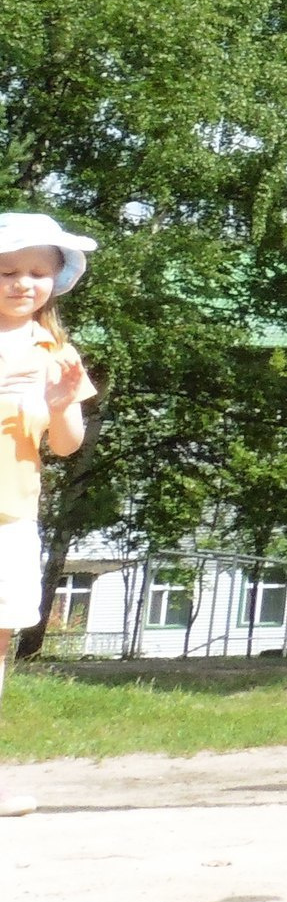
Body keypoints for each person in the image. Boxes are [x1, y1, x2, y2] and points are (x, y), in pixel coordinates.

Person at [0, 213, 98, 819]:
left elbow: (66, 444)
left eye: (37, 272)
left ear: (55, 280)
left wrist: (60, 404)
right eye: (7, 271)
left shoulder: (55, 352)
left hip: (11, 517)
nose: (23, 283)